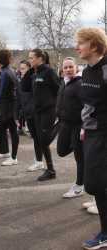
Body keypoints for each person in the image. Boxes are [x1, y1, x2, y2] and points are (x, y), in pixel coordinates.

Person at [75, 27, 107, 250]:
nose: (77, 46)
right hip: (91, 132)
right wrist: (84, 127)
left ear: (94, 46)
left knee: (96, 184)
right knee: (97, 184)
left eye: (81, 42)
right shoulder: (86, 71)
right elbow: (88, 104)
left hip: (104, 134)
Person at [28, 49, 60, 181]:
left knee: (44, 140)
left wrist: (58, 109)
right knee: (41, 141)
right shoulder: (34, 73)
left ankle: (60, 124)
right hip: (38, 112)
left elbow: (59, 90)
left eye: (31, 58)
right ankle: (51, 170)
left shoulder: (49, 72)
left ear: (40, 58)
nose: (29, 60)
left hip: (49, 111)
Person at [56, 57, 84, 198]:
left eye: (70, 67)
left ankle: (79, 186)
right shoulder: (64, 82)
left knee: (79, 158)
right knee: (61, 150)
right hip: (65, 123)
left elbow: (87, 105)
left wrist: (84, 127)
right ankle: (77, 146)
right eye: (65, 67)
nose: (68, 69)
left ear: (76, 67)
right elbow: (60, 100)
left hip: (78, 124)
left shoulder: (79, 83)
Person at [0, 49, 19, 166]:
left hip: (9, 106)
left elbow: (1, 93)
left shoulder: (6, 73)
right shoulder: (9, 70)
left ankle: (14, 157)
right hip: (8, 105)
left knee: (12, 130)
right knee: (1, 127)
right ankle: (5, 152)